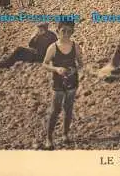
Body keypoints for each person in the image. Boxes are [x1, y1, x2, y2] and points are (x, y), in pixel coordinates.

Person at [43, 21, 83, 149]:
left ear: (73, 32)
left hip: (72, 80)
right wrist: (56, 69)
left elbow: (80, 64)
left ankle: (65, 134)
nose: (66, 34)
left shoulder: (75, 46)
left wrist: (74, 70)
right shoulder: (53, 47)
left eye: (69, 31)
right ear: (58, 31)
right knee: (55, 110)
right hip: (58, 81)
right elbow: (45, 64)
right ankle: (49, 138)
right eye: (63, 31)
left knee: (68, 108)